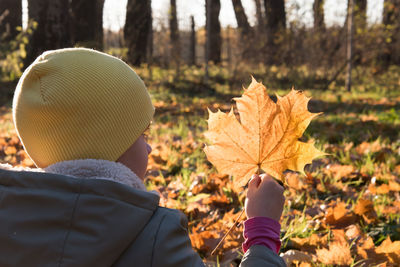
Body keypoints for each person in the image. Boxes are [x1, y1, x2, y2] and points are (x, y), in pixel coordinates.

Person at [0, 48, 285, 267]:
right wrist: (262, 232)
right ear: (110, 143)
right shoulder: (155, 236)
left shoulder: (8, 219)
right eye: (143, 134)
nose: (148, 149)